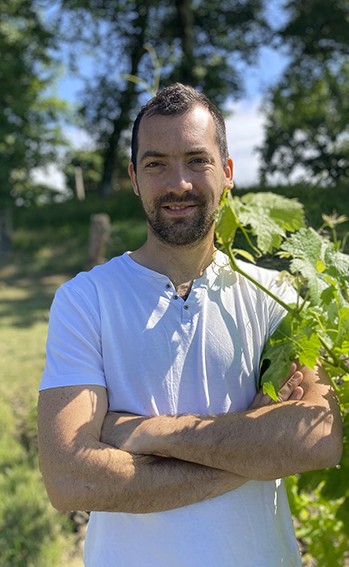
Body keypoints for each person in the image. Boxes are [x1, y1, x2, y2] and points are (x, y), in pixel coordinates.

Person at [38, 83, 342, 567]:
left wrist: (147, 433)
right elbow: (71, 480)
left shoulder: (276, 296)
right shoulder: (85, 300)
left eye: (197, 160)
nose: (178, 182)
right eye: (156, 164)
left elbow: (317, 437)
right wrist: (254, 448)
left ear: (227, 174)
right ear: (135, 178)